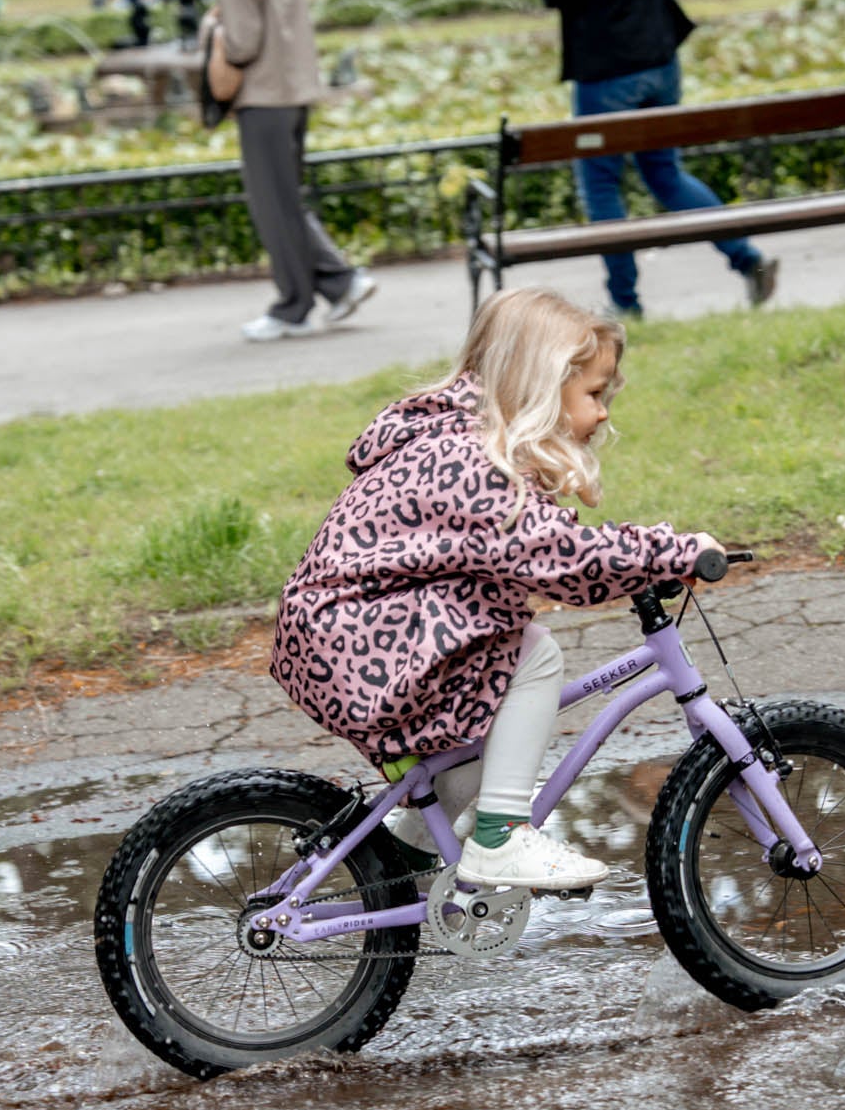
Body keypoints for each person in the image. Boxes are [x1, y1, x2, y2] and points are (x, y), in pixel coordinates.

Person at [270, 287, 722, 891]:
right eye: (593, 393)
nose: (605, 411)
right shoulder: (474, 463)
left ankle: (408, 852)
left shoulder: (458, 439)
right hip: (361, 640)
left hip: (341, 633)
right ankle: (500, 838)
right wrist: (670, 551)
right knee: (531, 655)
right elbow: (562, 557)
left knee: (488, 711)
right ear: (540, 386)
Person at [524, 0, 778, 320]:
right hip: (660, 64)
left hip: (605, 74)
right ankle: (747, 259)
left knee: (600, 184)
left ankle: (624, 302)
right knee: (665, 173)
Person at [205, 0, 376, 342]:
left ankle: (293, 307)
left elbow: (239, 48)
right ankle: (340, 283)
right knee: (285, 202)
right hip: (294, 98)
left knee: (272, 206)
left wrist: (213, 28)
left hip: (262, 102)